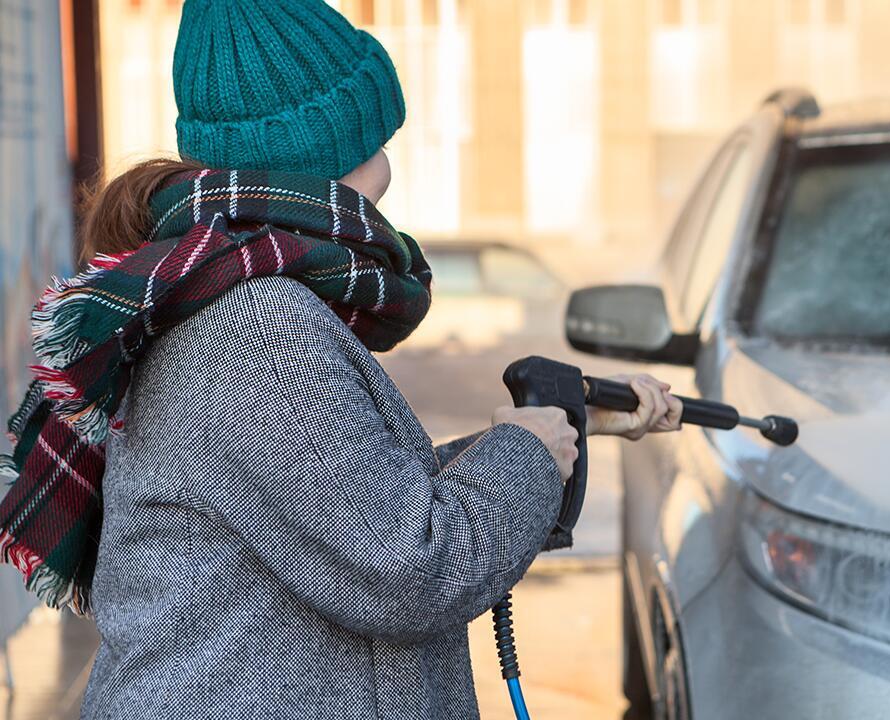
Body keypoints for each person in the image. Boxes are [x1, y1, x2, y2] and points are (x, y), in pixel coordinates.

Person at [0, 1, 681, 718]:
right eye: (376, 132)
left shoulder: (234, 292)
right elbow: (410, 566)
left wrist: (556, 432)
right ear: (329, 148)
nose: (390, 160)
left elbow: (337, 504)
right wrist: (525, 456)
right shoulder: (260, 326)